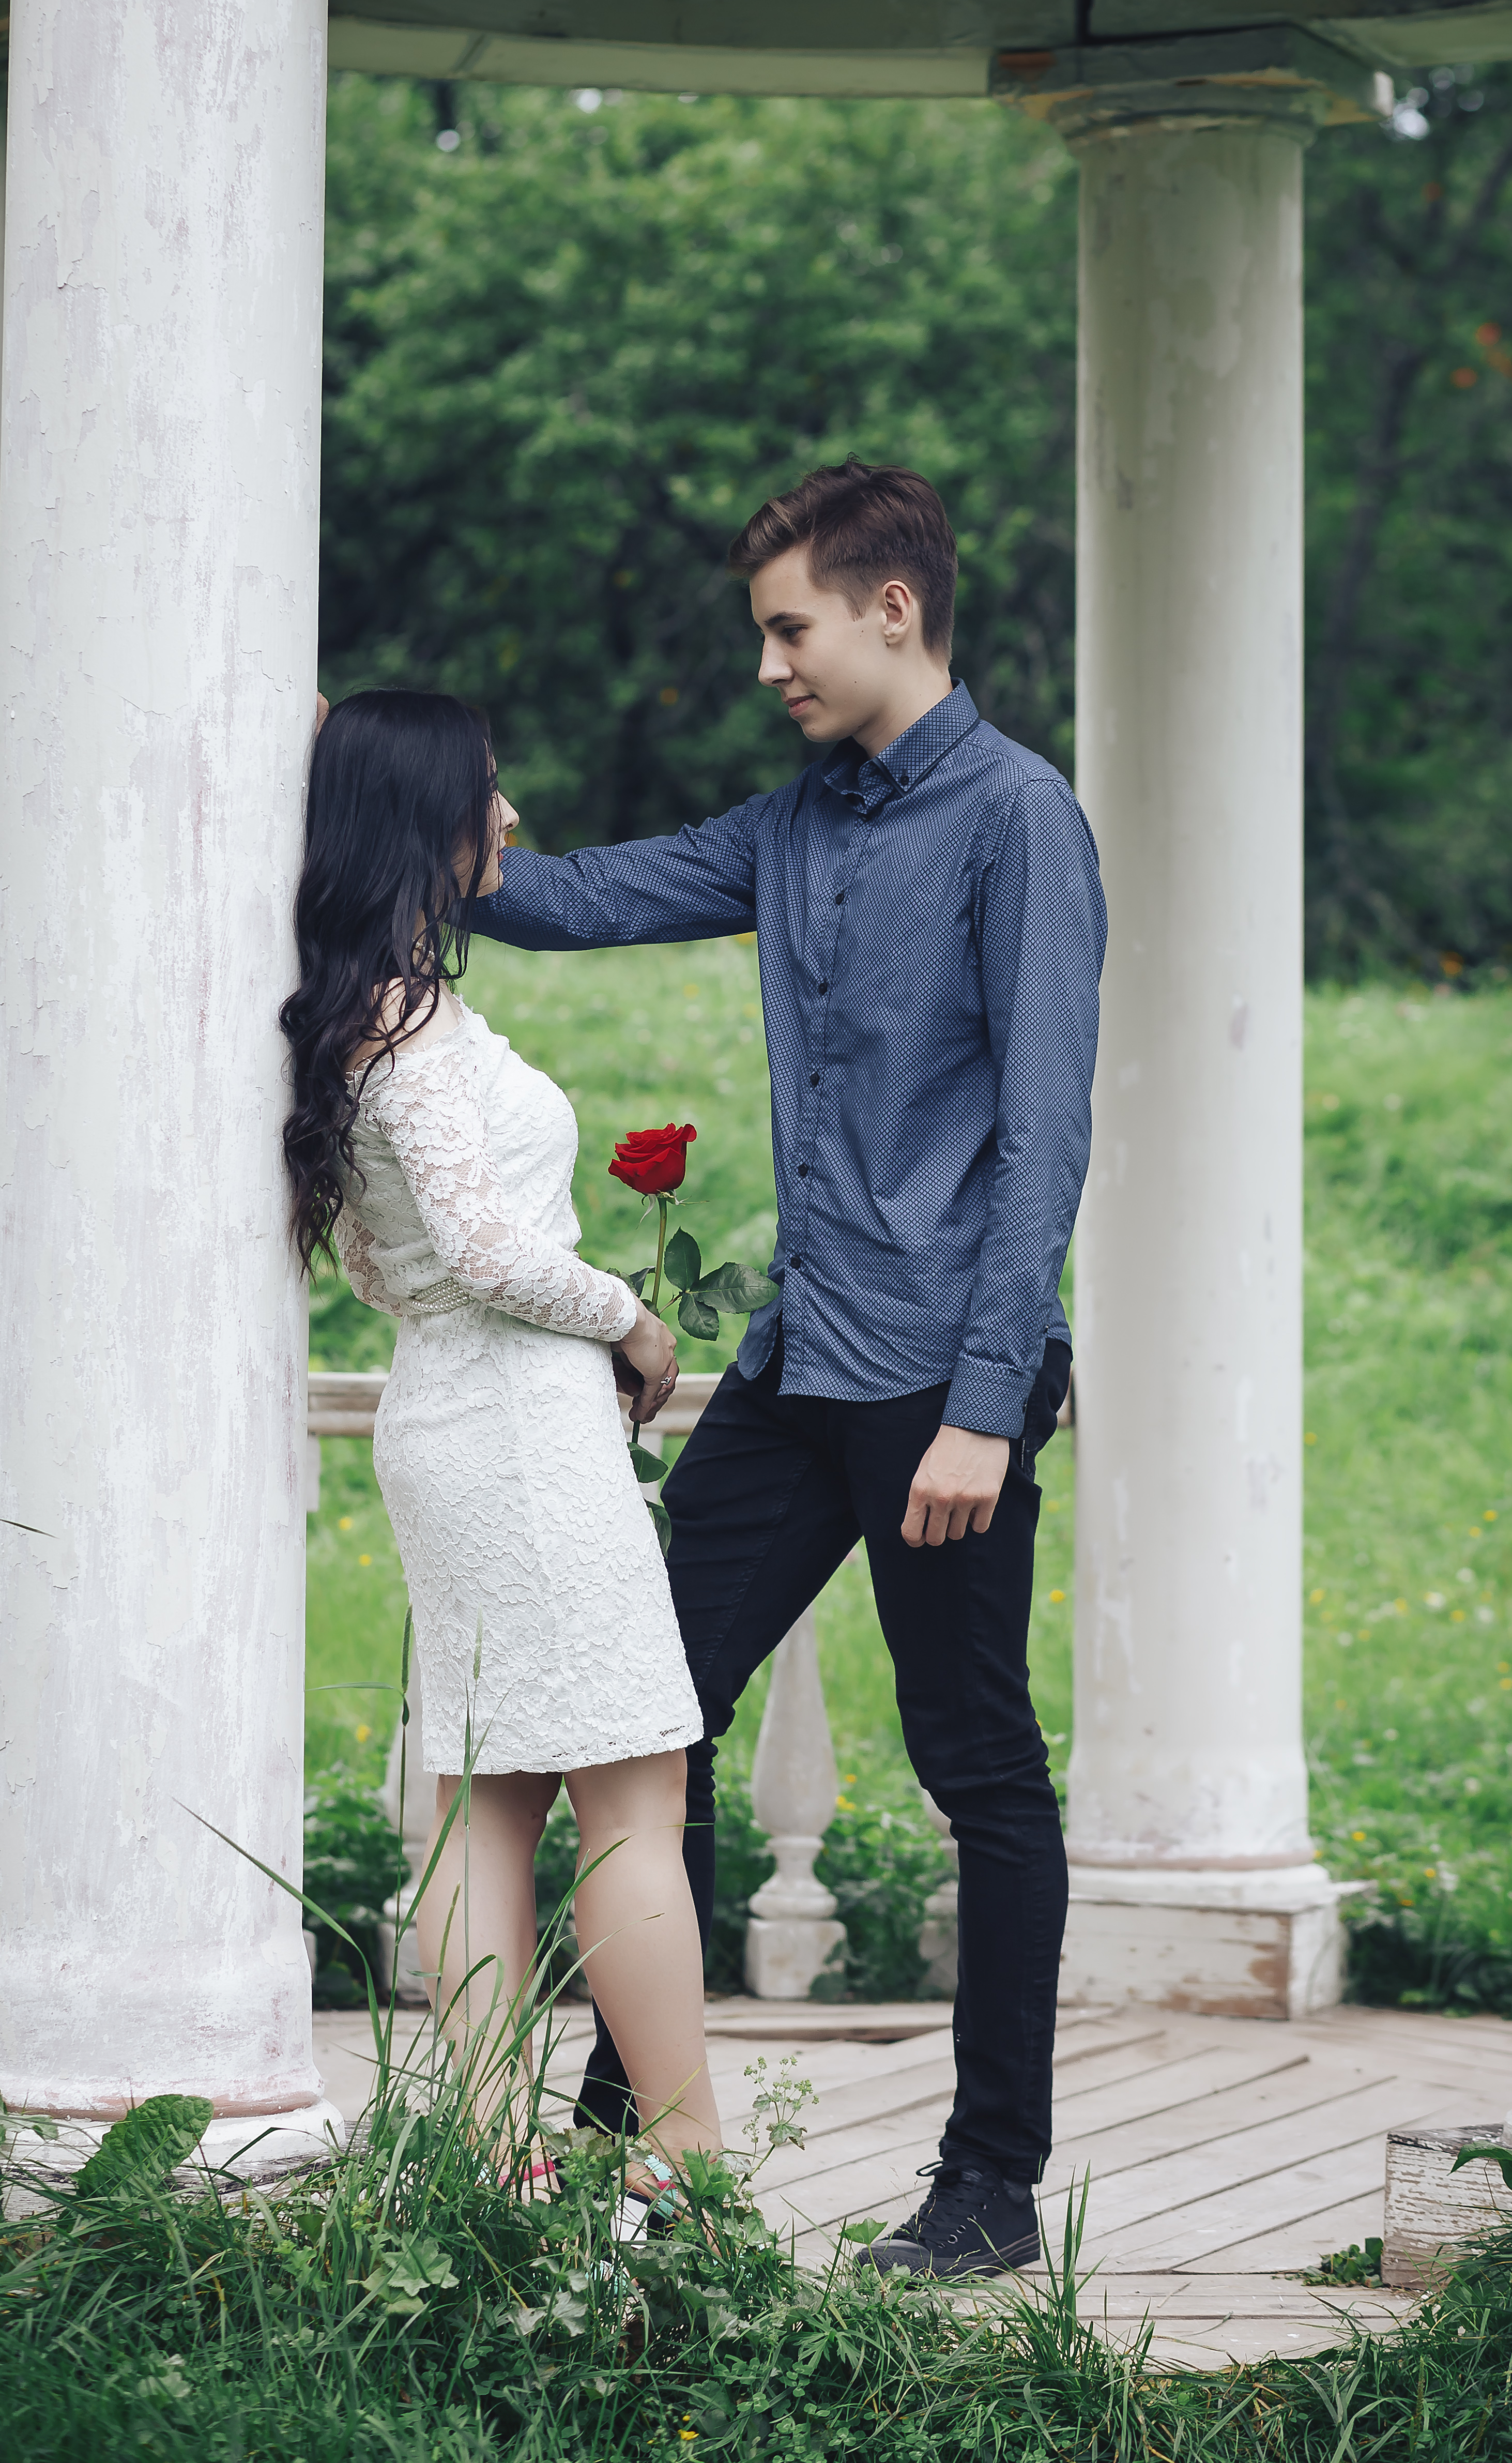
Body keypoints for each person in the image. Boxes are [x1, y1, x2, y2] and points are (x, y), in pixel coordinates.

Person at [472, 459, 1106, 2277]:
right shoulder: (794, 824)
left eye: (788, 629)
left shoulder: (1019, 820)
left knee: (978, 1765)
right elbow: (564, 901)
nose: (769, 667)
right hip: (801, 1355)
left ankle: (987, 2190)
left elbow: (1043, 1136)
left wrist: (984, 1404)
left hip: (941, 1377)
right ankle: (628, 2144)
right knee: (644, 1713)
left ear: (891, 609)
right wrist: (386, 791)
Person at [280, 689, 718, 2217]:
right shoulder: (405, 1028)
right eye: (486, 788)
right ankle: (687, 2156)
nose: (511, 816)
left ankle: (486, 2158)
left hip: (447, 1411)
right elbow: (478, 1248)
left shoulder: (355, 1016)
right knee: (633, 1789)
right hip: (522, 1430)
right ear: (419, 817)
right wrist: (631, 1322)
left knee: (493, 1799)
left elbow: (381, 1265)